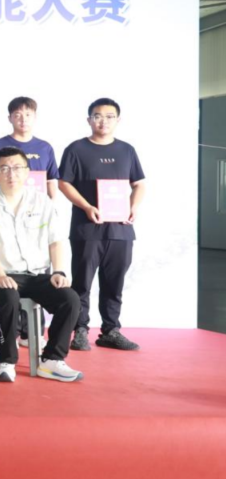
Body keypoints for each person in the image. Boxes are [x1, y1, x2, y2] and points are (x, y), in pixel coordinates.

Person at [0, 147, 84, 383]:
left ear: (27, 172)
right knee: (8, 296)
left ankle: (51, 360)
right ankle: (6, 362)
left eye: (17, 167)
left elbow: (56, 241)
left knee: (70, 299)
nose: (11, 173)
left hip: (35, 275)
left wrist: (59, 271)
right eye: (4, 168)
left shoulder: (42, 202)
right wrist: (0, 275)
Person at [58, 98, 147, 352]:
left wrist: (133, 206)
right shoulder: (76, 149)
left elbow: (139, 183)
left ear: (118, 120)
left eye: (109, 117)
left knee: (114, 283)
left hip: (120, 229)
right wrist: (87, 207)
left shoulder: (127, 150)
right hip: (87, 229)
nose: (103, 121)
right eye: (97, 116)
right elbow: (64, 183)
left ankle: (111, 330)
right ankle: (80, 330)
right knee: (82, 283)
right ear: (89, 120)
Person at [0, 97, 60, 199]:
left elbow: (50, 181)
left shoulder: (45, 148)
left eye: (28, 115)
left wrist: (51, 204)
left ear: (35, 117)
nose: (23, 119)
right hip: (6, 204)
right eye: (17, 115)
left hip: (37, 204)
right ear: (10, 118)